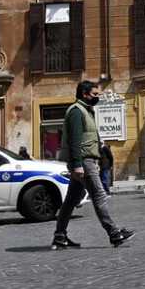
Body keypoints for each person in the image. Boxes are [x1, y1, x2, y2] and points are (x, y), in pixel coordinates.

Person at [52, 80, 135, 249]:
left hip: (85, 161)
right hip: (83, 161)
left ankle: (60, 237)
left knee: (70, 200)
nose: (97, 97)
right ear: (84, 94)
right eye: (95, 94)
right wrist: (77, 165)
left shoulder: (85, 111)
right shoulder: (76, 112)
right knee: (99, 195)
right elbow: (74, 140)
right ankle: (114, 233)